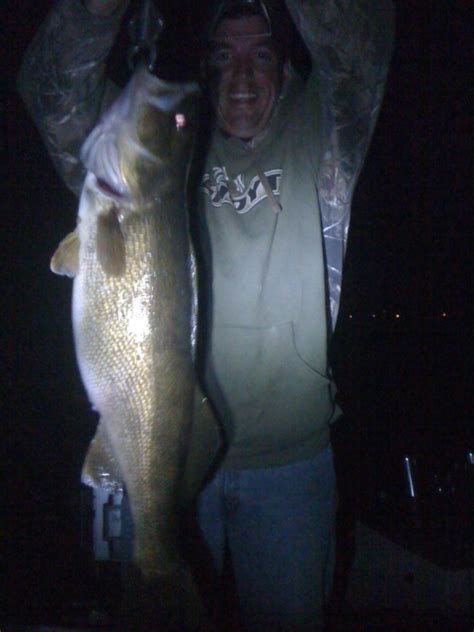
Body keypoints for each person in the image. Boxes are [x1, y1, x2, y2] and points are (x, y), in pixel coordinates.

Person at [18, 1, 394, 629]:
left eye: (261, 55)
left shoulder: (322, 128)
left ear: (286, 63)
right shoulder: (168, 145)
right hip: (159, 459)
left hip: (290, 469)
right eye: (223, 55)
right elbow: (51, 88)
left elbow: (362, 46)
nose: (241, 77)